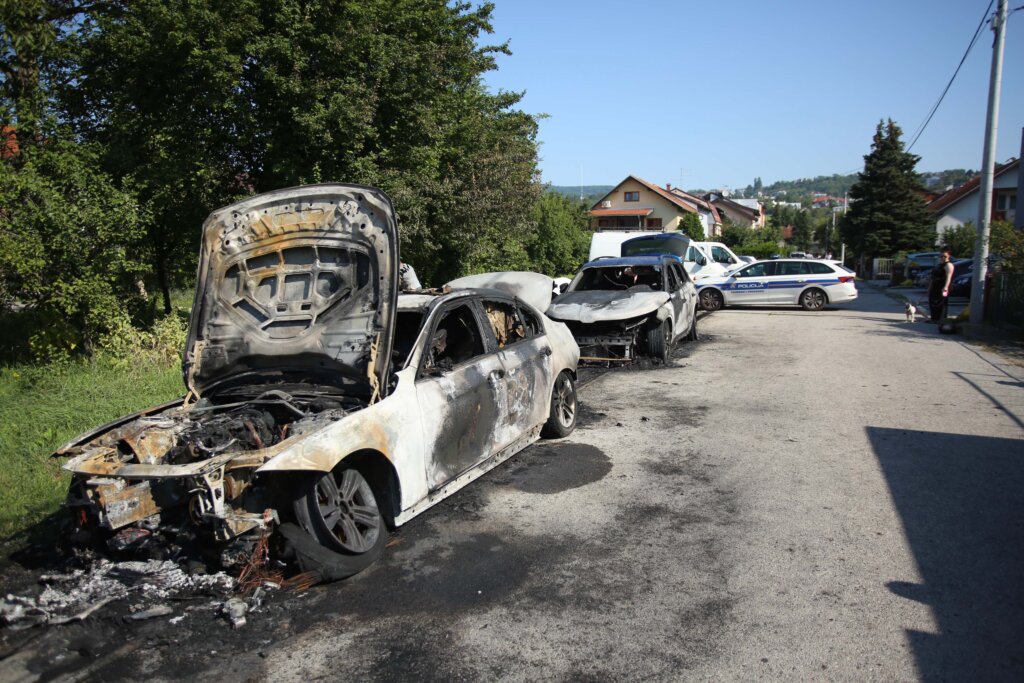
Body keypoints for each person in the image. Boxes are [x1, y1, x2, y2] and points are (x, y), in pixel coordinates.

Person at [927, 247, 954, 322]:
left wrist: (945, 287)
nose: (943, 258)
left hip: (942, 286)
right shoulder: (939, 265)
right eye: (941, 256)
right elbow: (933, 277)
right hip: (935, 286)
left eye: (945, 256)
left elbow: (949, 277)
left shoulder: (949, 265)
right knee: (932, 302)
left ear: (949, 256)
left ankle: (941, 319)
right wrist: (929, 287)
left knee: (941, 303)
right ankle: (934, 318)